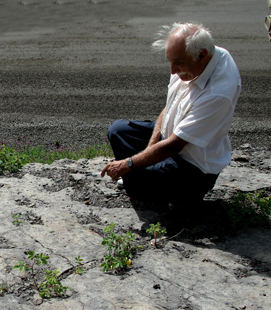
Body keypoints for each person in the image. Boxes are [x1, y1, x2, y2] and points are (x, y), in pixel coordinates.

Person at [100, 22, 241, 204]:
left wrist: (127, 164)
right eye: (171, 62)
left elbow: (174, 145)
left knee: (138, 186)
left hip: (192, 168)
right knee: (118, 130)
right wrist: (149, 149)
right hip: (173, 138)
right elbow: (170, 106)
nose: (173, 71)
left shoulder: (217, 93)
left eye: (178, 63)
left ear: (202, 55)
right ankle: (140, 180)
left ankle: (162, 191)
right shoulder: (195, 61)